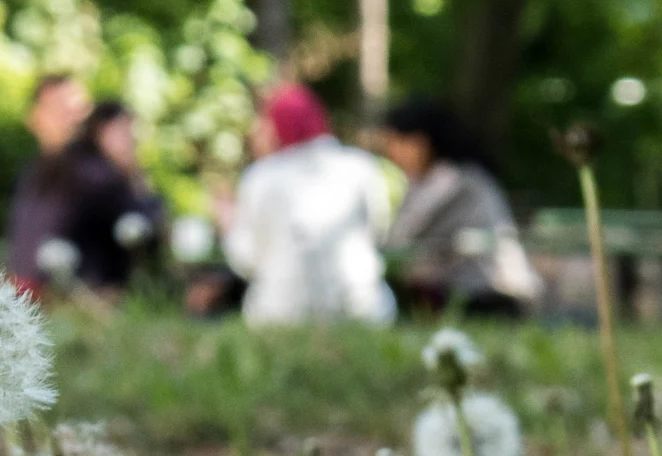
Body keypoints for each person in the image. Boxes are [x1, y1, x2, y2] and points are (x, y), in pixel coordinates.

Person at [220, 83, 396, 325]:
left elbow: (246, 260)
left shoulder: (260, 177)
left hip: (279, 317)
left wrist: (228, 228)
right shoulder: (362, 167)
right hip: (364, 313)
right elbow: (377, 235)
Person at [378, 98, 540, 316]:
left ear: (420, 142)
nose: (389, 151)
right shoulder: (427, 180)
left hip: (492, 295)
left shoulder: (456, 180)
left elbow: (402, 240)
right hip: (461, 292)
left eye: (394, 141)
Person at [28, 101, 162, 295]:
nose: (130, 142)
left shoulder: (83, 168)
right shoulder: (99, 176)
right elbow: (146, 223)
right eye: (123, 133)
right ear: (99, 133)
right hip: (88, 288)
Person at [6, 73, 93, 290]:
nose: (71, 117)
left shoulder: (96, 173)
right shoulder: (32, 172)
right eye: (58, 108)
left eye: (76, 108)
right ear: (34, 116)